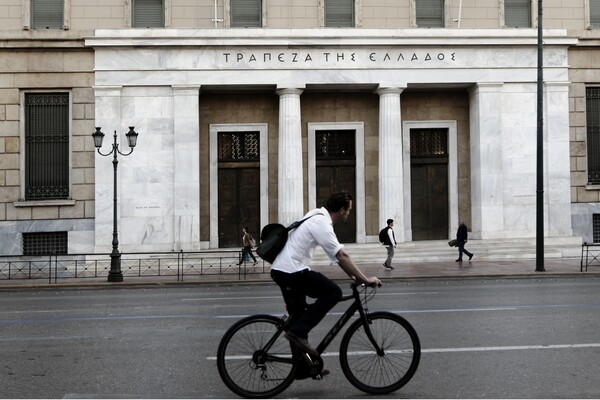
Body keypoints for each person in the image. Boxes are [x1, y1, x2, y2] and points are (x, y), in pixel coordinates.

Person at [270, 191, 381, 357]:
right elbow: (341, 255)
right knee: (333, 292)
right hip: (292, 270)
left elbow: (338, 257)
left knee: (298, 316)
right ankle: (298, 333)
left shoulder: (315, 214)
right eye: (349, 209)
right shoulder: (321, 223)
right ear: (342, 210)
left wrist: (352, 274)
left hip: (282, 270)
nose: (349, 213)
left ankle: (301, 368)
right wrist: (364, 278)